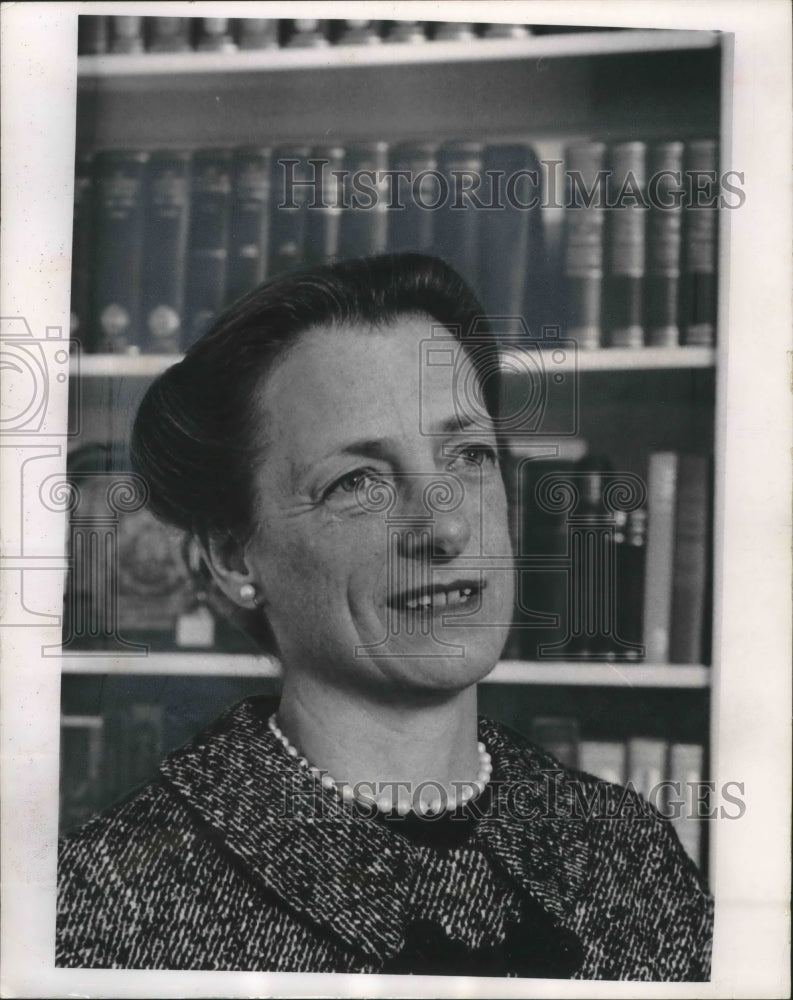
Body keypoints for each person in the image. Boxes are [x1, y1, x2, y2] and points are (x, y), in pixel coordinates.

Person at [56, 253, 713, 979]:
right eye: (358, 481)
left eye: (466, 454)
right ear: (235, 560)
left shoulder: (627, 852)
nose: (446, 531)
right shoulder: (113, 901)